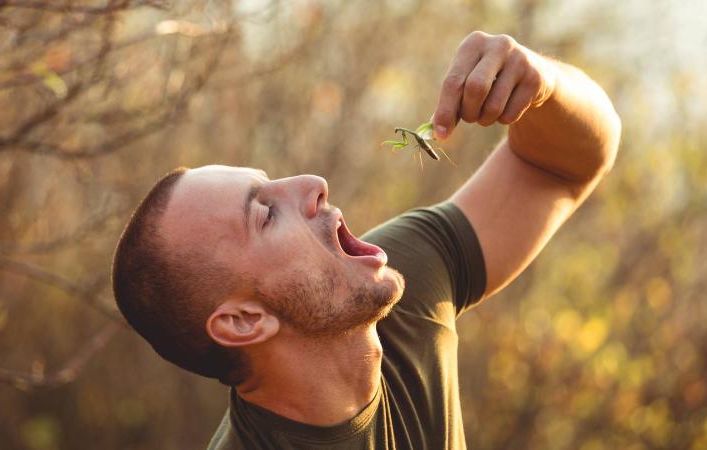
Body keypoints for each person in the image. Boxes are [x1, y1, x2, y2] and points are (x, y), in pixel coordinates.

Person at [111, 31, 621, 449]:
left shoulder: (402, 287)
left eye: (274, 181)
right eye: (266, 214)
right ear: (244, 320)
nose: (312, 184)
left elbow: (561, 166)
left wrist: (545, 85)